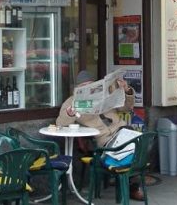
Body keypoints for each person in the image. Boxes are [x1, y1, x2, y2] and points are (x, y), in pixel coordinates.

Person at [57, 70, 143, 200]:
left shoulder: (106, 94)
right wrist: (70, 114)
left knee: (135, 142)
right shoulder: (71, 102)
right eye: (84, 87)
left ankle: (127, 181)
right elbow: (60, 123)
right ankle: (131, 186)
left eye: (91, 85)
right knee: (131, 148)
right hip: (102, 140)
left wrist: (125, 90)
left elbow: (126, 108)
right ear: (78, 89)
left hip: (121, 130)